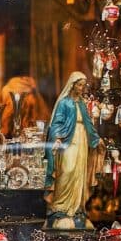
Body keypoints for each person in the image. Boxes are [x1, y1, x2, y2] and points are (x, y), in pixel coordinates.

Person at [45, 71, 104, 228]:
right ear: (72, 85)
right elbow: (56, 123)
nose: (82, 88)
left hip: (82, 139)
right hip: (68, 141)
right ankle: (60, 207)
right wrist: (57, 138)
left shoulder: (81, 104)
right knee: (67, 170)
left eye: (83, 85)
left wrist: (96, 138)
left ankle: (77, 209)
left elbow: (88, 123)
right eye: (79, 84)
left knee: (80, 172)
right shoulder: (64, 103)